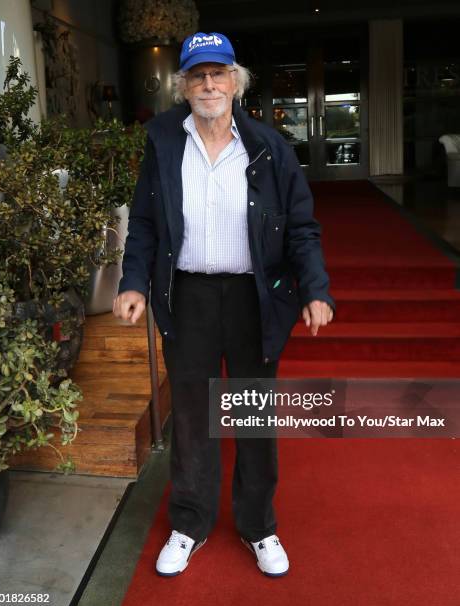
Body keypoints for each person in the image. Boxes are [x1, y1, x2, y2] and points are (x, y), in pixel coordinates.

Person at [113, 31, 335, 578]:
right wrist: (134, 280)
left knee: (252, 413)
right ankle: (189, 523)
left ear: (236, 82)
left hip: (251, 295)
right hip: (185, 293)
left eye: (218, 74)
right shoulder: (162, 139)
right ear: (183, 87)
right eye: (198, 76)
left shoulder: (268, 144)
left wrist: (316, 289)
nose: (209, 84)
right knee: (192, 417)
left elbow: (302, 227)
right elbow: (143, 221)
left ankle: (260, 526)